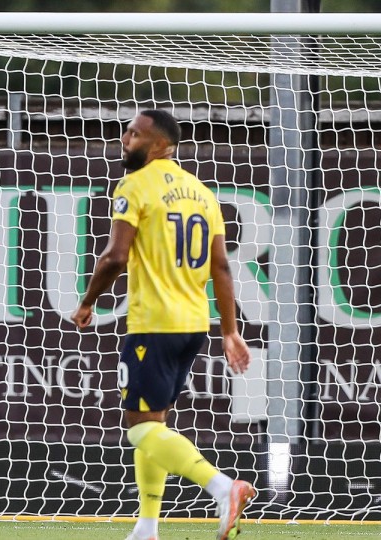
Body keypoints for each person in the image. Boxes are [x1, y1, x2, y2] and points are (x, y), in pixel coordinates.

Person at [71, 109, 256, 540]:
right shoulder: (202, 193)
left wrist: (87, 302)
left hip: (153, 324)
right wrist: (229, 330)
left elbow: (115, 257)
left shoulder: (135, 185)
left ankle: (222, 487)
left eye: (134, 134)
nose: (124, 139)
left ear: (159, 145)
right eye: (126, 132)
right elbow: (222, 267)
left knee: (140, 431)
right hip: (194, 325)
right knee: (155, 423)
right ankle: (147, 526)